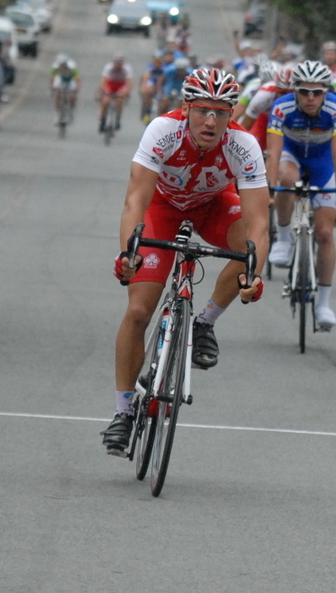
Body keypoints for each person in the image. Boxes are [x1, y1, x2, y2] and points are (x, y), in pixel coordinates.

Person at [102, 69, 268, 456]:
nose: (211, 121)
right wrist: (129, 253)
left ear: (231, 115)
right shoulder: (162, 131)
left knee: (248, 247)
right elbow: (135, 200)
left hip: (212, 207)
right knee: (140, 310)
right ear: (187, 108)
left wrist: (253, 274)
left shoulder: (243, 145)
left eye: (221, 113)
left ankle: (205, 322)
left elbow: (259, 220)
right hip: (164, 209)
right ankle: (123, 413)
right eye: (203, 111)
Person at [265, 60, 336, 329]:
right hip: (292, 156)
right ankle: (282, 237)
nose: (311, 97)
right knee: (287, 178)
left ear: (327, 91)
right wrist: (269, 189)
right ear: (294, 91)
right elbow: (275, 152)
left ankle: (323, 303)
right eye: (304, 91)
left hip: (322, 162)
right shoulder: (281, 107)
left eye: (317, 92)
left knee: (325, 234)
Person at [99, 54, 133, 133]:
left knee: (120, 101)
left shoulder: (127, 68)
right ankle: (103, 120)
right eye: (116, 62)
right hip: (111, 84)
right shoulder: (108, 67)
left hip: (121, 85)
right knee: (105, 101)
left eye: (120, 63)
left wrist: (127, 92)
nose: (118, 64)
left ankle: (118, 119)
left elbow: (129, 82)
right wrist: (101, 91)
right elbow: (103, 80)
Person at [50, 55, 80, 125]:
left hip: (70, 80)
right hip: (60, 79)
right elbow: (52, 79)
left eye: (63, 65)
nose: (62, 67)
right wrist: (52, 89)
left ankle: (71, 113)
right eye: (61, 65)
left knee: (72, 97)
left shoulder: (72, 67)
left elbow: (77, 80)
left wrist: (76, 89)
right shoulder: (55, 67)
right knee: (57, 95)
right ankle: (57, 114)